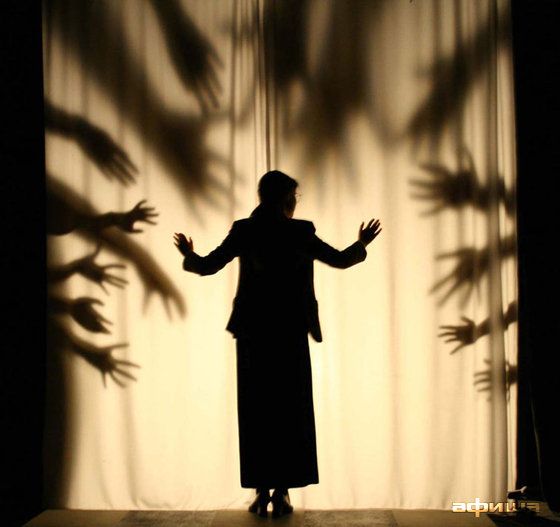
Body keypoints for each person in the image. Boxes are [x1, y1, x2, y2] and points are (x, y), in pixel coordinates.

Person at [174, 170, 381, 517]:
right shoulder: (300, 231)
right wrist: (362, 243)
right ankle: (282, 492)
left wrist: (189, 254)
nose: (295, 202)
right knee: (290, 410)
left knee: (256, 409)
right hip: (288, 332)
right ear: (286, 197)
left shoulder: (245, 229)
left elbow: (209, 265)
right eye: (294, 196)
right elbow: (340, 259)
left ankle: (261, 490)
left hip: (254, 332)